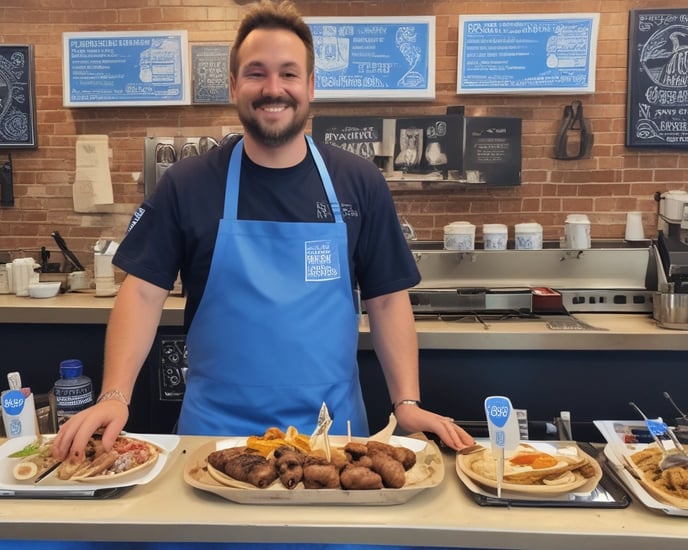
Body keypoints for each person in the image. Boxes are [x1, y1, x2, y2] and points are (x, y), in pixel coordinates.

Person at [53, 0, 472, 466]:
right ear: (234, 85)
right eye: (257, 73)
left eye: (288, 73)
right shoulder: (188, 184)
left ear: (310, 85)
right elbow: (143, 293)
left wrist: (407, 402)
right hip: (213, 441)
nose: (274, 88)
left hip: (330, 444)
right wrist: (115, 394)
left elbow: (388, 300)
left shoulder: (358, 182)